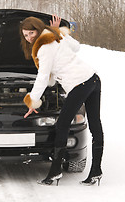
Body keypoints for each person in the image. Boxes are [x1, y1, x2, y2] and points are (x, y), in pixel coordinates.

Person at [20, 15, 104, 186]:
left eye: (31, 33)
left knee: (62, 125)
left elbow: (43, 77)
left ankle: (55, 172)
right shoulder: (56, 37)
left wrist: (32, 101)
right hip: (93, 79)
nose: (29, 38)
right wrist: (60, 32)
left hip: (80, 83)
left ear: (37, 29)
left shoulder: (43, 47)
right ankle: (96, 171)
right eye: (25, 35)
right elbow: (76, 47)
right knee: (95, 124)